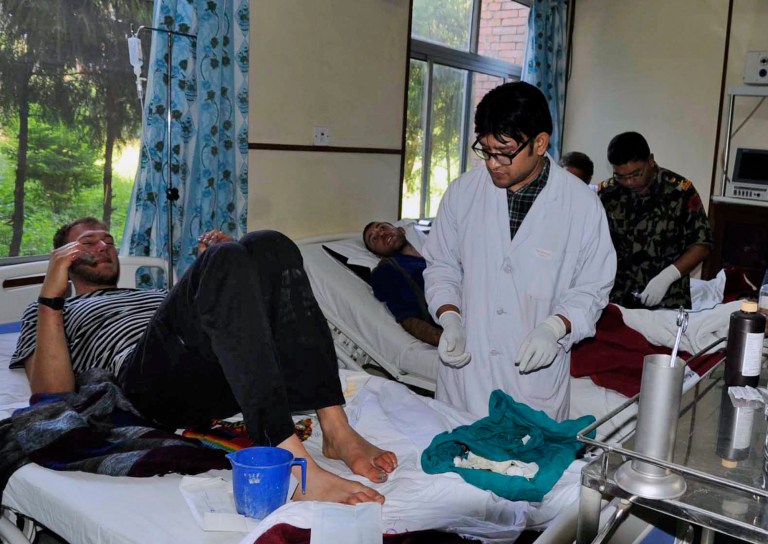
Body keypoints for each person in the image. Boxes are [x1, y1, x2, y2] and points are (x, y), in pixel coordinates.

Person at [10, 217, 397, 505]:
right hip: (143, 388)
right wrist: (50, 297)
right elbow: (51, 394)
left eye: (108, 239)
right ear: (61, 257)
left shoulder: (155, 293)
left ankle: (336, 430)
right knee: (225, 256)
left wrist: (236, 274)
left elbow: (220, 322)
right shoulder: (54, 309)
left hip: (223, 376)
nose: (104, 245)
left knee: (269, 244)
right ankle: (289, 462)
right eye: (87, 241)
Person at [422, 82, 616, 421]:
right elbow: (442, 265)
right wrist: (450, 317)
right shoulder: (462, 193)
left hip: (533, 382)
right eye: (486, 150)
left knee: (525, 468)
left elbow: (592, 288)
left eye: (505, 152)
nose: (494, 163)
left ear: (539, 143)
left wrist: (555, 328)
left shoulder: (581, 205)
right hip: (467, 377)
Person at [599, 132, 713, 309]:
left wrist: (667, 276)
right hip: (617, 300)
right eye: (621, 176)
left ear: (650, 161)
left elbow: (702, 244)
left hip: (668, 301)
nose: (629, 182)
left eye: (636, 174)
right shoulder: (608, 193)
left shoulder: (679, 191)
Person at [362, 221, 441, 346]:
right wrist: (446, 341)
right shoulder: (387, 270)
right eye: (375, 238)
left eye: (383, 227)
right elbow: (409, 319)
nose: (381, 233)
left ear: (401, 230)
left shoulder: (433, 257)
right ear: (379, 255)